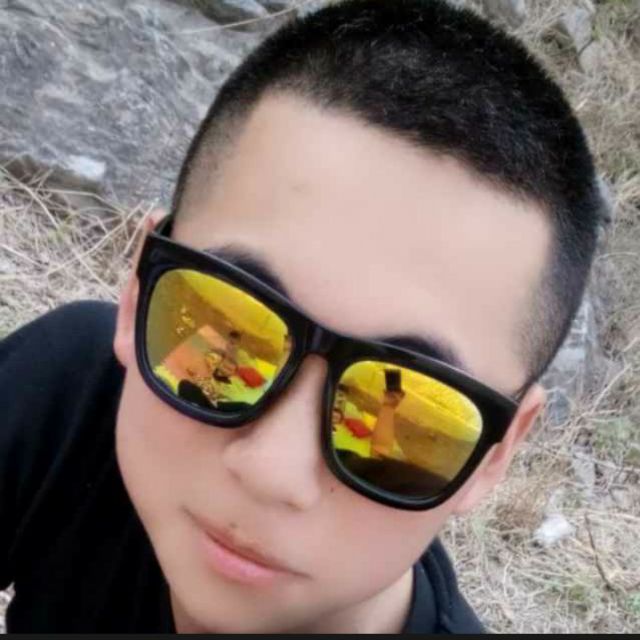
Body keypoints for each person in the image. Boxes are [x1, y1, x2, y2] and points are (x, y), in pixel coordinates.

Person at [0, 0, 606, 633]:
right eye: (227, 332)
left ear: (494, 457)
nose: (272, 472)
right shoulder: (70, 397)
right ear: (136, 294)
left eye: (404, 420)